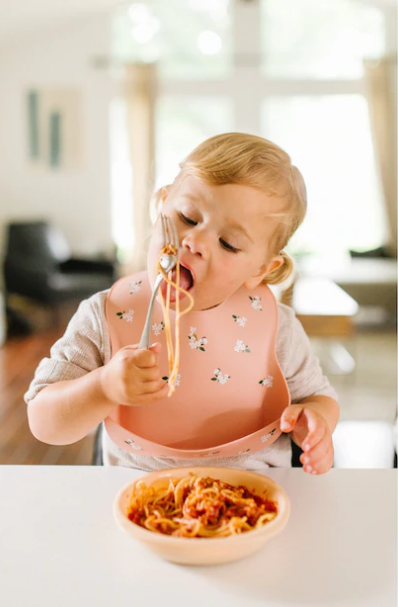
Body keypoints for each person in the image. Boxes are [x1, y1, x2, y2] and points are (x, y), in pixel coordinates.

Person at [25, 133, 339, 474]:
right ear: (161, 203)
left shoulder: (278, 328)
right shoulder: (104, 316)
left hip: (252, 509)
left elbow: (319, 399)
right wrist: (103, 387)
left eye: (229, 243)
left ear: (261, 269)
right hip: (135, 509)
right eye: (188, 217)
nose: (195, 242)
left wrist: (315, 422)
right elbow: (44, 421)